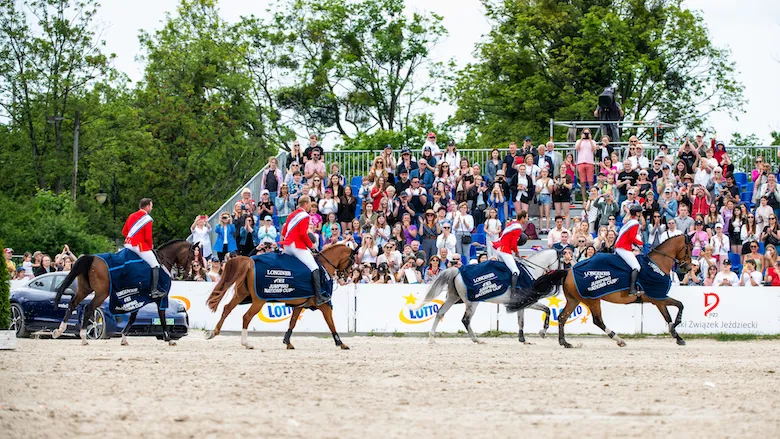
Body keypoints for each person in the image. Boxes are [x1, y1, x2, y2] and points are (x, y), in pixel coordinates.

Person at [279, 196, 326, 306]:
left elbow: (283, 232)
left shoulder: (292, 215)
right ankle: (319, 297)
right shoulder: (305, 216)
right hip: (295, 245)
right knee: (314, 267)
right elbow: (302, 234)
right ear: (305, 204)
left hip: (287, 246)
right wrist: (311, 246)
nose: (310, 206)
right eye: (309, 204)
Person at [122, 198, 162, 296]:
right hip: (139, 246)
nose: (151, 208)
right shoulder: (147, 219)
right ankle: (154, 291)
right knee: (155, 265)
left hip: (128, 244)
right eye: (151, 206)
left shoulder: (131, 215)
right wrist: (150, 246)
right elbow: (148, 237)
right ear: (147, 206)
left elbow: (124, 232)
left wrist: (131, 239)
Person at [492, 210, 528, 296]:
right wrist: (517, 253)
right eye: (526, 217)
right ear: (522, 218)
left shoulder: (512, 223)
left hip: (499, 248)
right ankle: (513, 294)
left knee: (506, 269)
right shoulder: (518, 228)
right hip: (505, 250)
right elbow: (513, 244)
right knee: (516, 271)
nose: (527, 219)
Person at [615, 204, 644, 296]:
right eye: (640, 212)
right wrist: (641, 243)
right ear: (637, 213)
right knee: (637, 267)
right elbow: (632, 238)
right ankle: (632, 289)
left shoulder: (629, 222)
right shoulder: (635, 223)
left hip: (622, 246)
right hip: (623, 247)